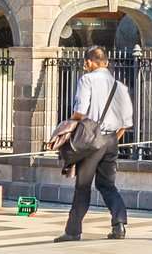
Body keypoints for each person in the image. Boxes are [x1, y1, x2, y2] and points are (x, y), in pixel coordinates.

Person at [57, 45, 133, 242]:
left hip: (92, 140)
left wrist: (70, 123)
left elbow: (80, 110)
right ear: (106, 62)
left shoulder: (87, 79)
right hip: (111, 139)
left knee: (83, 185)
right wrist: (113, 139)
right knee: (107, 184)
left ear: (89, 62)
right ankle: (119, 224)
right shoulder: (120, 86)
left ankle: (73, 232)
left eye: (86, 63)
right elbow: (126, 122)